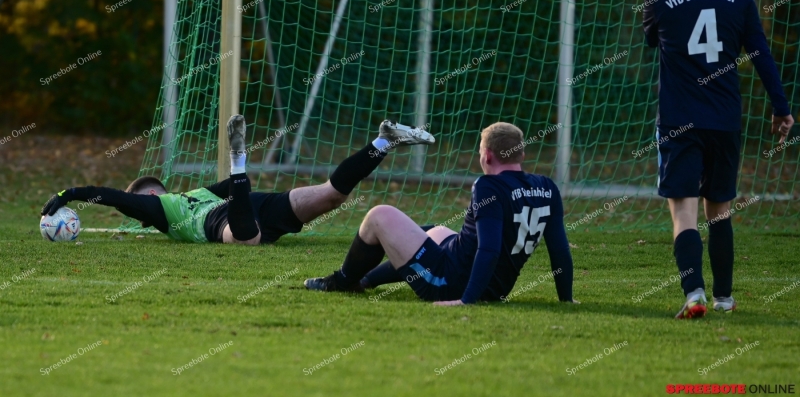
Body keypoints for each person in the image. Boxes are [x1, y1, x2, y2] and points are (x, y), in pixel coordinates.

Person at [642, 0, 794, 318]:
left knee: (684, 213)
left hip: (678, 120)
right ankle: (725, 297)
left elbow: (650, 40)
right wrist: (781, 108)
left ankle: (694, 295)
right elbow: (761, 53)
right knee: (720, 210)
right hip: (724, 118)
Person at [40, 116, 434, 245]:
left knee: (247, 240)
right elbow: (229, 190)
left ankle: (238, 157)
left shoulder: (160, 210)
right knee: (332, 195)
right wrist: (65, 194)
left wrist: (66, 194)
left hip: (227, 219)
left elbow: (108, 196)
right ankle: (382, 140)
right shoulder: (185, 197)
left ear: (145, 200)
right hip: (249, 205)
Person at [304, 122, 575, 306]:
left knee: (378, 216)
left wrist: (465, 300)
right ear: (522, 154)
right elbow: (560, 250)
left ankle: (341, 281)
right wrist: (567, 299)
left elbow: (490, 250)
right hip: (497, 289)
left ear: (488, 157)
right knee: (437, 231)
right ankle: (365, 281)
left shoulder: (488, 185)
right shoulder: (546, 187)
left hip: (451, 283)